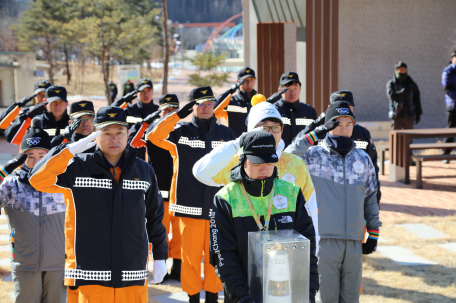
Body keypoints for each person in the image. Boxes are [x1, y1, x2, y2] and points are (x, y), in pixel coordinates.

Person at [29, 106, 168, 302]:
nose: (114, 139)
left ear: (127, 134)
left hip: (132, 272)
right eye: (106, 133)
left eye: (119, 132)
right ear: (95, 135)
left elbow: (154, 217)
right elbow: (37, 179)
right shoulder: (77, 167)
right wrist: (67, 151)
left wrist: (160, 256)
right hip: (91, 275)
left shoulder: (144, 170)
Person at [285, 101, 381, 303]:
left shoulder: (363, 158)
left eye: (349, 124)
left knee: (351, 298)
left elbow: (371, 196)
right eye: (338, 123)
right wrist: (315, 134)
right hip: (324, 241)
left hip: (354, 241)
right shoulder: (314, 156)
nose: (344, 129)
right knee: (326, 298)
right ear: (328, 125)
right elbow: (288, 156)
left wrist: (373, 233)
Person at [148, 86, 235, 303]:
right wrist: (177, 115)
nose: (206, 107)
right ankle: (194, 296)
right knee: (190, 258)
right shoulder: (179, 132)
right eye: (200, 103)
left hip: (219, 207)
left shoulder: (226, 134)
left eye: (209, 102)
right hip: (189, 207)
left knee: (216, 255)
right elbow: (153, 136)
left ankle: (214, 295)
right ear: (192, 106)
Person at [193, 98, 319, 247]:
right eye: (263, 128)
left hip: (285, 254)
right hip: (243, 251)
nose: (270, 133)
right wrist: (238, 143)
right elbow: (201, 172)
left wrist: (312, 250)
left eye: (275, 127)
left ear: (282, 129)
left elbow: (311, 212)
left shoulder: (296, 165)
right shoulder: (236, 161)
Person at [209, 131, 318, 303]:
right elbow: (223, 253)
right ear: (243, 159)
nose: (264, 168)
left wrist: (308, 290)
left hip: (287, 293)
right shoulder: (225, 198)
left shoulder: (292, 192)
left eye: (269, 162)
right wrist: (241, 296)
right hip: (242, 296)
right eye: (257, 163)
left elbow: (307, 246)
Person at [0, 117, 67, 303]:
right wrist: (3, 172)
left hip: (58, 265)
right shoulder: (10, 186)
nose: (36, 161)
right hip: (24, 265)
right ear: (20, 158)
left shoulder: (61, 185)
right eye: (29, 156)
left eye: (41, 155)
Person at [129, 94, 182, 281]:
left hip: (179, 193)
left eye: (173, 110)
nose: (169, 114)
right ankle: (160, 267)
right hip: (158, 192)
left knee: (179, 234)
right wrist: (146, 122)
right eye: (166, 110)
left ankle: (177, 267)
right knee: (160, 231)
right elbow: (133, 141)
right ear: (159, 112)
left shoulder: (185, 131)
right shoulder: (152, 131)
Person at [303, 90, 381, 205]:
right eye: (338, 106)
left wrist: (376, 199)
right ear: (329, 108)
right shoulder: (320, 133)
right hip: (326, 198)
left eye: (348, 106)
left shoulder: (363, 133)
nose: (344, 109)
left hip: (354, 198)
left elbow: (372, 168)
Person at [5, 86, 70, 144]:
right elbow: (12, 139)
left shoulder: (72, 123)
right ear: (44, 101)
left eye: (61, 102)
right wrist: (27, 117)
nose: (57, 105)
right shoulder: (35, 121)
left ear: (66, 103)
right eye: (53, 102)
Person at [268, 72, 318, 147]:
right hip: (279, 156)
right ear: (279, 91)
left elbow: (316, 137)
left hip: (304, 157)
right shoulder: (272, 110)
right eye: (288, 89)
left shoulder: (309, 111)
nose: (292, 92)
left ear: (300, 89)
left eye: (295, 88)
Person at [213, 67, 257, 137]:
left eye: (251, 80)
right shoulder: (230, 102)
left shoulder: (258, 102)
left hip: (254, 144)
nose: (249, 83)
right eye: (245, 80)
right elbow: (213, 109)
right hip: (235, 144)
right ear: (238, 82)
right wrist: (230, 91)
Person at [387, 61, 422, 130]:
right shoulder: (392, 83)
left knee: (408, 138)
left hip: (409, 115)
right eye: (400, 70)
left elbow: (417, 98)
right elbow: (392, 96)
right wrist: (404, 91)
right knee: (396, 138)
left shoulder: (411, 83)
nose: (403, 72)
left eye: (404, 70)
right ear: (397, 70)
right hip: (397, 115)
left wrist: (418, 113)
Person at [441, 51, 456, 162]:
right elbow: (448, 90)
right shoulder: (448, 71)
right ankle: (446, 154)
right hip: (453, 106)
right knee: (451, 130)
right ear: (452, 59)